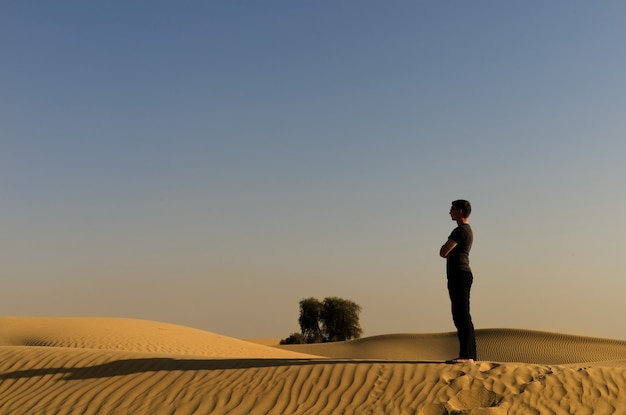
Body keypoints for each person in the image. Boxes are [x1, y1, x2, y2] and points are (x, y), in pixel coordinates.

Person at [439, 199, 477, 364]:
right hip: (461, 274)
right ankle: (469, 355)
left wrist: (444, 249)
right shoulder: (467, 230)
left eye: (453, 209)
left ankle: (466, 355)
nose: (450, 212)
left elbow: (443, 251)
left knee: (461, 315)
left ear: (460, 211)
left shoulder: (460, 231)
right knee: (462, 315)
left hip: (459, 274)